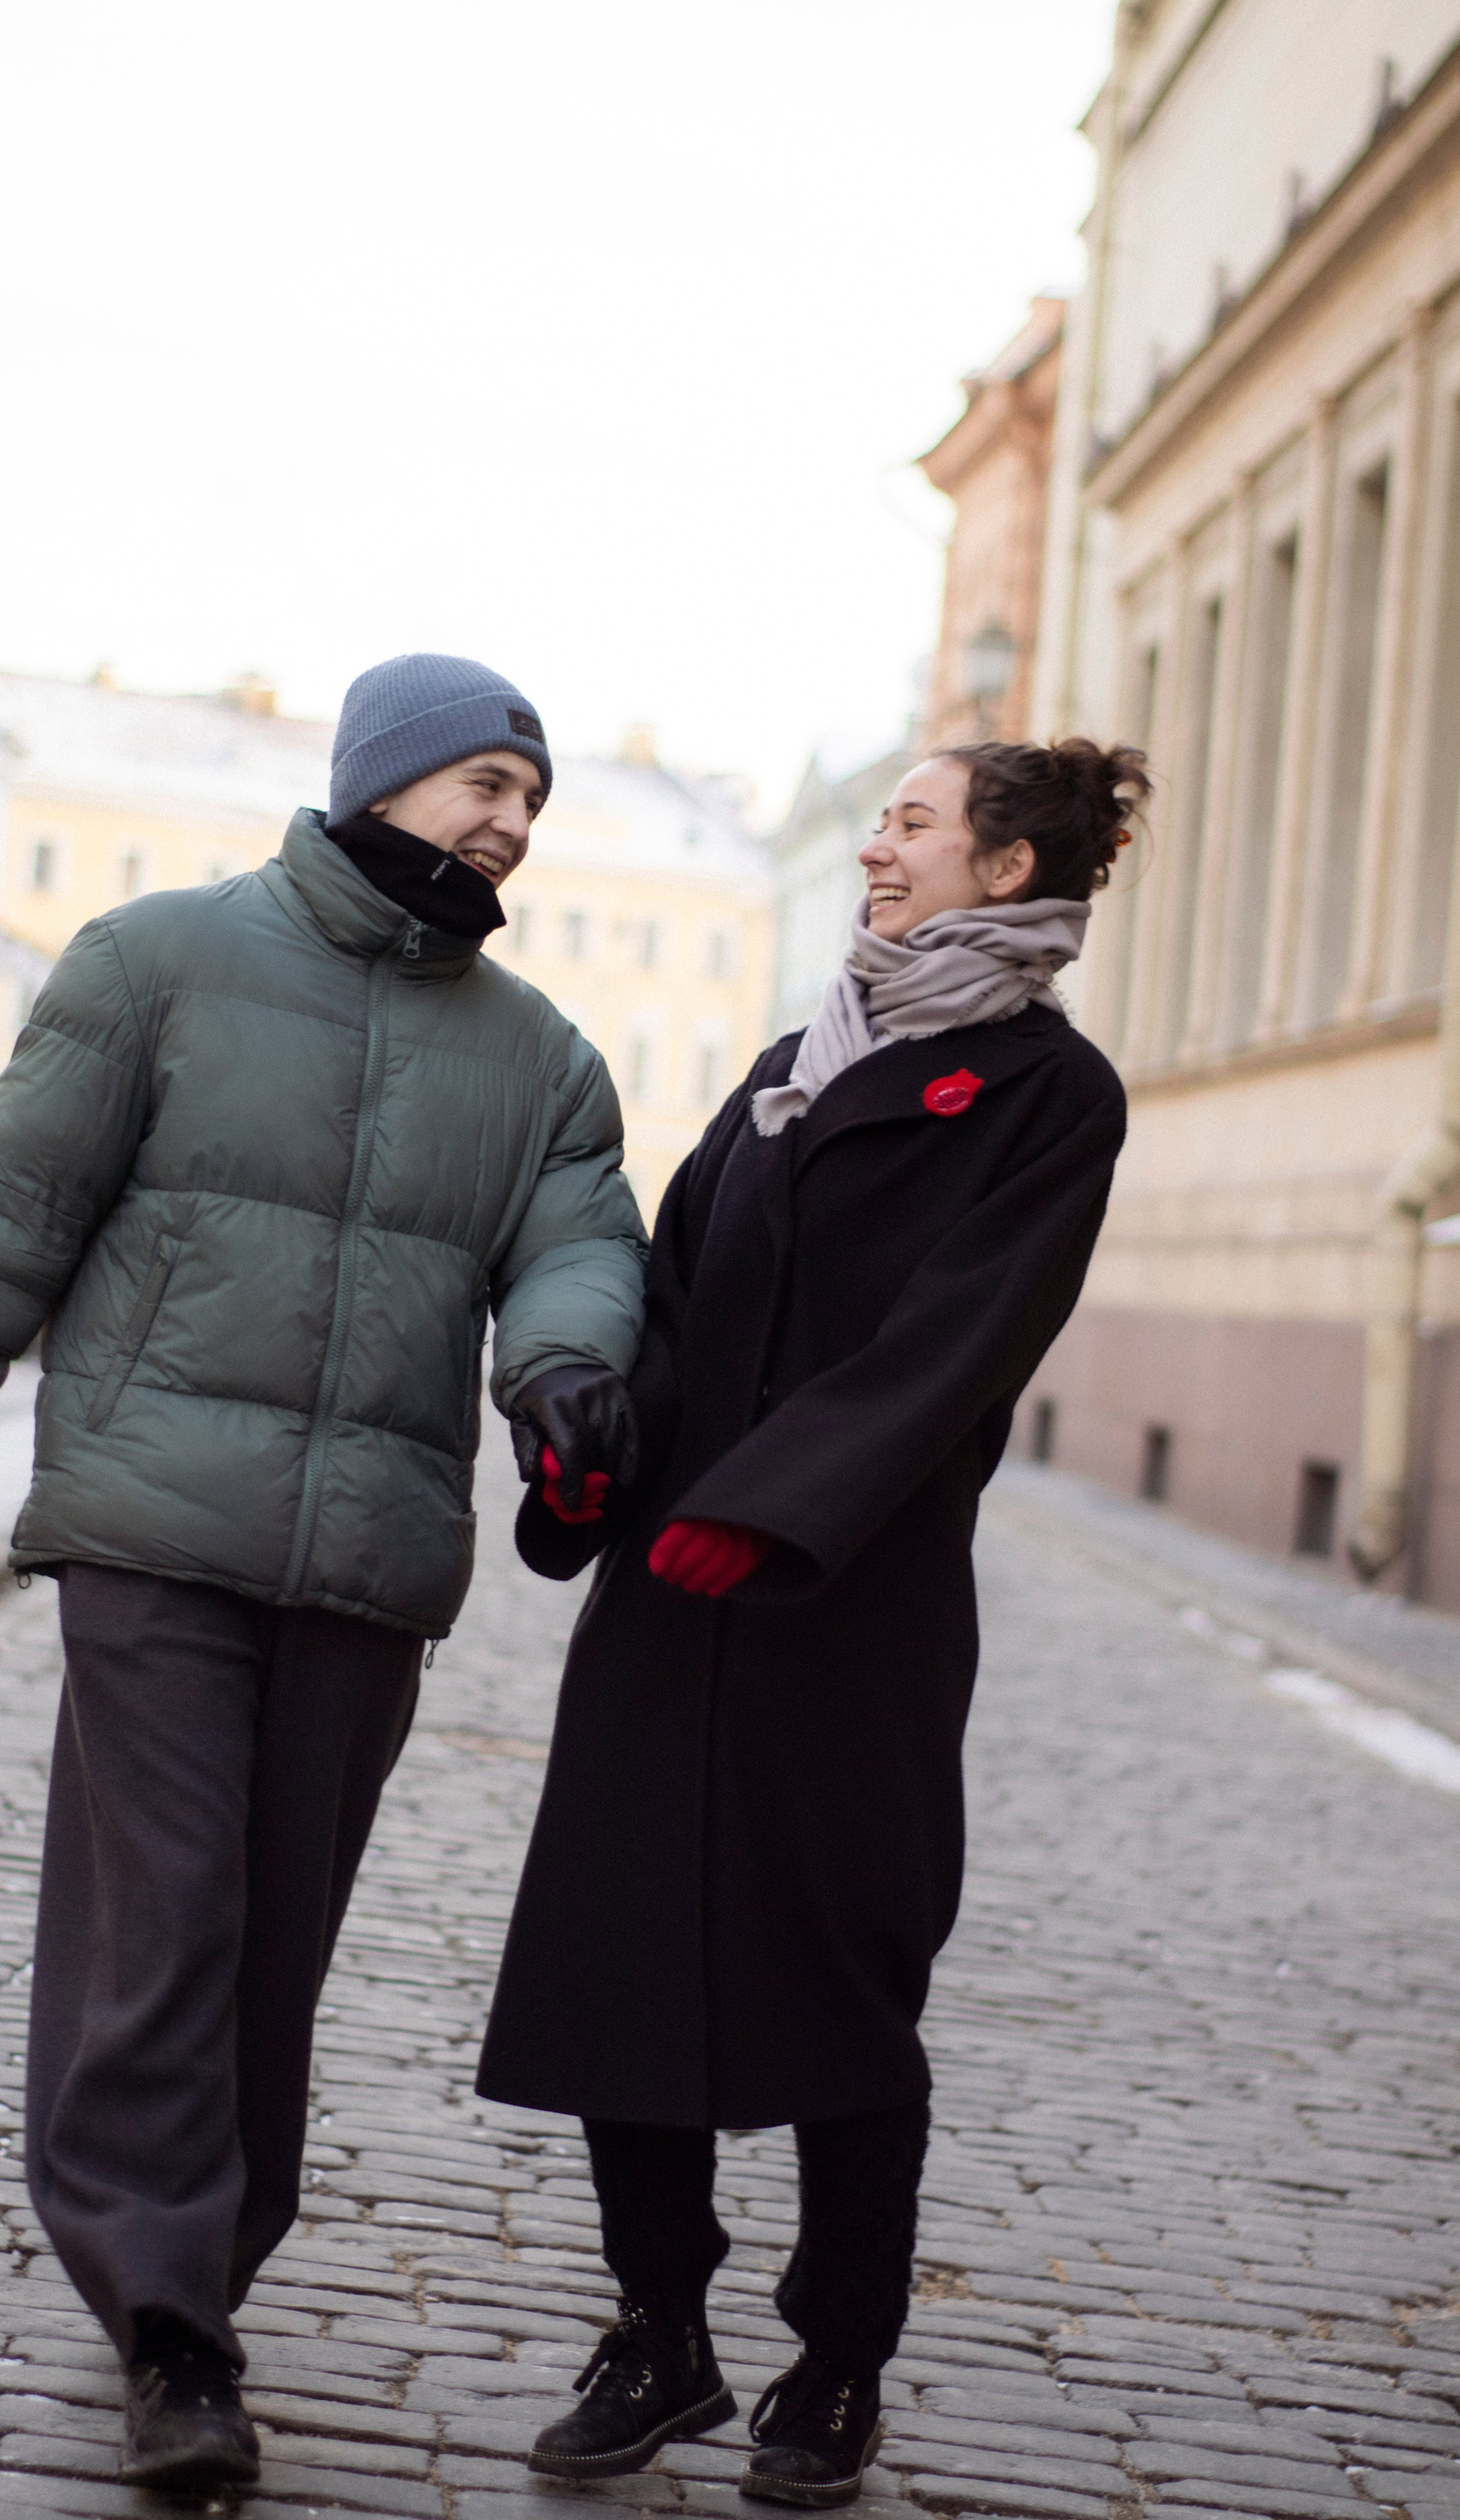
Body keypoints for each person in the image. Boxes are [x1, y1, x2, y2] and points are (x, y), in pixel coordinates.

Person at [0, 653, 648, 2496]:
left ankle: (205, 2265)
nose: (512, 821)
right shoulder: (155, 966)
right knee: (172, 1907)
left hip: (366, 1563)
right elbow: (2, 1224)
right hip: (154, 1538)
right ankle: (169, 2313)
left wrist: (566, 1371)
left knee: (275, 1940)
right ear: (382, 777)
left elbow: (580, 1246)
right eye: (485, 781)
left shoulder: (541, 1059)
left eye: (533, 797)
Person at [479, 737, 1145, 2507]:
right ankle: (659, 2334)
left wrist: (777, 1508)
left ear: (1008, 868)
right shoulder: (795, 1065)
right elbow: (677, 1288)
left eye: (914, 823)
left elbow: (957, 1346)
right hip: (667, 1596)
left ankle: (838, 2361)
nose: (878, 849)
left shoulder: (1053, 1096)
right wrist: (599, 1461)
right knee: (626, 1963)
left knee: (845, 1989)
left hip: (852, 1607)